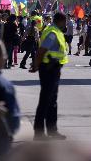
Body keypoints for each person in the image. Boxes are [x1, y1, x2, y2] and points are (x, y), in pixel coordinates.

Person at [34, 12, 69, 140]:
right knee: (45, 101)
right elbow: (42, 50)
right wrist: (36, 65)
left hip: (54, 68)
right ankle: (39, 133)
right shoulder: (53, 33)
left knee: (52, 101)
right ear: (60, 21)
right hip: (48, 69)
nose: (65, 24)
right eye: (65, 22)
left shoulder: (56, 31)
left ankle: (52, 130)